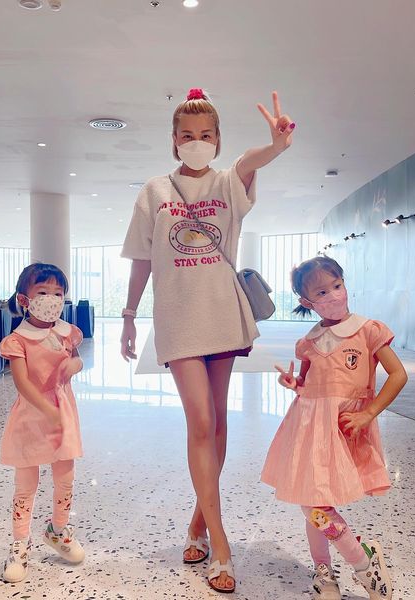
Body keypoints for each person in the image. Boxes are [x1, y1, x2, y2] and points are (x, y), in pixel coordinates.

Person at [120, 87, 295, 593]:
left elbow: (250, 161)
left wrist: (276, 145)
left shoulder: (227, 182)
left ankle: (198, 522)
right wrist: (129, 315)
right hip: (178, 318)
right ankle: (220, 543)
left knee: (216, 420)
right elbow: (142, 259)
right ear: (174, 140)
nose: (196, 142)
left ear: (217, 140)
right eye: (187, 135)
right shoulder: (155, 191)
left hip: (222, 314)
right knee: (199, 420)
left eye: (205, 135)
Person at [261, 256, 408, 600]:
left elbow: (398, 375)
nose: (334, 295)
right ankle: (331, 569)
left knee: (315, 504)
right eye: (322, 292)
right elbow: (309, 385)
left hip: (342, 429)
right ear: (306, 301)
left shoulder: (368, 330)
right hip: (308, 428)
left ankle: (360, 563)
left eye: (337, 286)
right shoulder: (310, 341)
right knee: (312, 502)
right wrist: (294, 383)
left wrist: (369, 413)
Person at [0, 263, 85, 583]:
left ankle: (58, 530)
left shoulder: (67, 331)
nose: (52, 299)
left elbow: (75, 358)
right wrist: (47, 410)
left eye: (58, 293)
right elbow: (22, 382)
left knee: (65, 476)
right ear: (24, 299)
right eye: (43, 292)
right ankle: (20, 544)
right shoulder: (18, 340)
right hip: (31, 418)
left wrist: (74, 366)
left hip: (63, 414)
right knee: (26, 485)